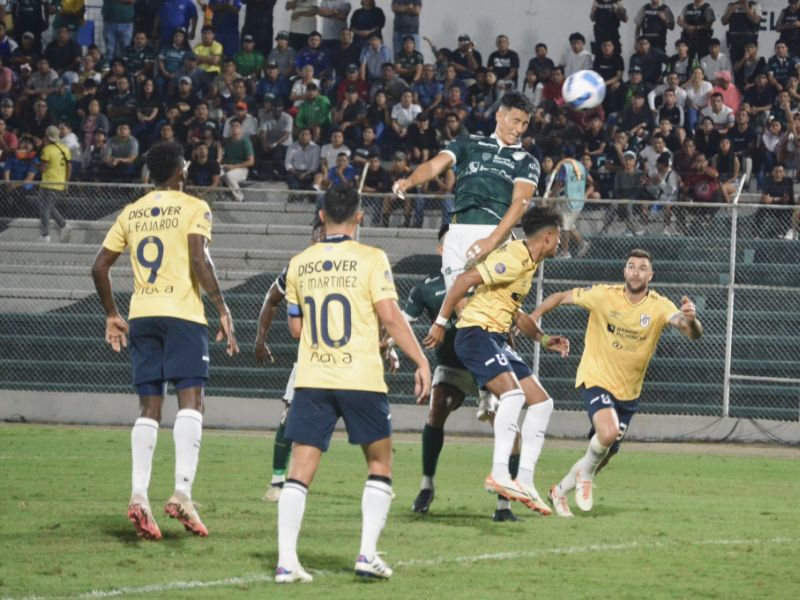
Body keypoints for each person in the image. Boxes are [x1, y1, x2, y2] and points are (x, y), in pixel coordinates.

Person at [275, 184, 431, 583]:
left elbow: (295, 328)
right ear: (359, 216)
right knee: (380, 464)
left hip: (313, 378)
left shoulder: (299, 263)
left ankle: (287, 561)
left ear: (322, 216)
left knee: (300, 470)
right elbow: (391, 317)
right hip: (360, 377)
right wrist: (420, 360)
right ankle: (366, 554)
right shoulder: (371, 259)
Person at [91, 141, 240, 541]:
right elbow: (198, 259)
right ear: (180, 172)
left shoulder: (132, 211)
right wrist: (222, 307)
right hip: (183, 315)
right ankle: (182, 494)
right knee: (191, 401)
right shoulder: (194, 207)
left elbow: (99, 266)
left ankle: (139, 495)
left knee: (148, 405)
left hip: (142, 314)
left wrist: (111, 313)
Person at [531, 249, 703, 517]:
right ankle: (586, 479)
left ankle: (559, 491)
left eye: (642, 268)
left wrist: (693, 320)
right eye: (631, 266)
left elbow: (691, 333)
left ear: (651, 275)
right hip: (596, 377)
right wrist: (533, 319)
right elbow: (561, 296)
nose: (636, 272)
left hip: (628, 392)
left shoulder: (659, 305)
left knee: (603, 454)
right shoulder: (603, 294)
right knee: (607, 435)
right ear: (624, 271)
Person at [423, 206, 569, 515]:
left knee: (542, 403)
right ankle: (500, 474)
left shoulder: (528, 261)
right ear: (549, 236)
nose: (561, 242)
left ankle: (525, 480)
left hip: (496, 337)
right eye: (560, 237)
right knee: (514, 396)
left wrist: (543, 339)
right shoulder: (514, 258)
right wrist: (439, 322)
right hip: (476, 334)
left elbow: (515, 313)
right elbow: (464, 280)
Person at [393, 91, 540, 291]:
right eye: (515, 121)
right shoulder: (467, 143)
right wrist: (409, 181)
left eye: (524, 124)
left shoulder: (527, 161)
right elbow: (435, 166)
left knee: (490, 310)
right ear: (499, 116)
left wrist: (492, 240)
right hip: (457, 232)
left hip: (494, 233)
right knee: (458, 307)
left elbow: (520, 203)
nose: (519, 129)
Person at [255, 222, 327, 503]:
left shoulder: (349, 266)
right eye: (318, 236)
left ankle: (379, 481)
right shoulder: (297, 268)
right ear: (311, 239)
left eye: (326, 236)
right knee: (288, 417)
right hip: (309, 358)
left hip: (344, 359)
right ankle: (276, 482)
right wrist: (261, 340)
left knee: (364, 413)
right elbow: (271, 299)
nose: (322, 241)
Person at [37, 125, 71, 243]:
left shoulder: (47, 150)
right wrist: (66, 182)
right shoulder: (64, 148)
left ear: (46, 137)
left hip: (48, 183)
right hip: (60, 182)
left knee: (44, 209)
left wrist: (33, 163)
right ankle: (63, 225)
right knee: (48, 207)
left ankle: (45, 235)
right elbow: (69, 166)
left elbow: (43, 168)